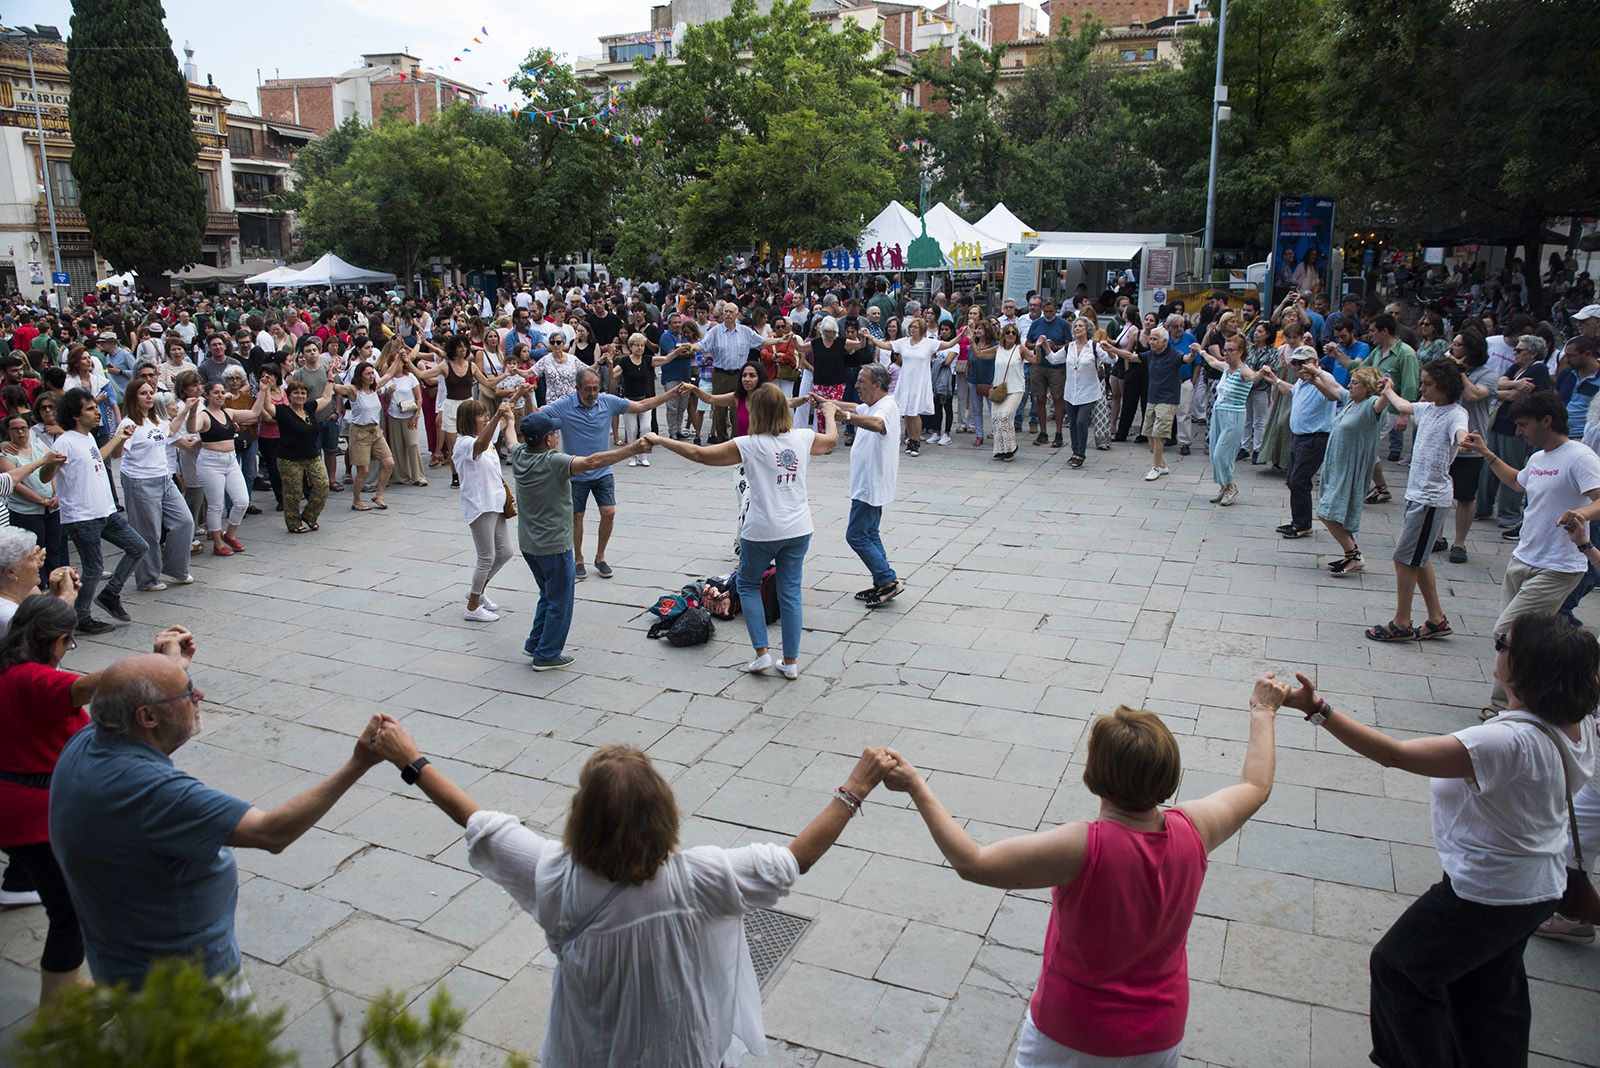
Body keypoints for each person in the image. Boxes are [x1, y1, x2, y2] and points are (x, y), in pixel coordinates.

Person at [366, 713, 894, 1067]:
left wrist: (411, 759)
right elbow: (793, 860)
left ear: (580, 818)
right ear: (665, 812)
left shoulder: (554, 875)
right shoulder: (704, 878)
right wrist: (856, 786)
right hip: (683, 1053)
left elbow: (479, 822)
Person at [884, 676, 1284, 1066]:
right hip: (1160, 1035)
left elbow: (973, 862)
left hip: (1073, 1036)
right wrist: (1263, 710)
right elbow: (1256, 786)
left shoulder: (1083, 847)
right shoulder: (1196, 829)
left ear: (1096, 775)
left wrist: (918, 787)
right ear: (1169, 772)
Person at [1284, 614, 1595, 1068]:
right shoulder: (1575, 724)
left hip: (1489, 893)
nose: (1497, 647)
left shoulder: (1502, 742)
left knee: (1399, 970)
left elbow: (1395, 755)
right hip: (1537, 887)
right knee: (1488, 991)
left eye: (1501, 642)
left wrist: (1319, 710)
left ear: (1523, 665)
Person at [49, 632, 388, 992]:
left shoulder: (88, 741)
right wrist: (358, 762)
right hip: (185, 983)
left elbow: (129, 689)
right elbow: (271, 832)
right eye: (187, 691)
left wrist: (170, 666)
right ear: (147, 717)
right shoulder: (153, 794)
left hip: (120, 957)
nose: (199, 696)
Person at [0, 596, 148, 1009]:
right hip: (33, 815)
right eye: (69, 642)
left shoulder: (11, 670)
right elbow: (88, 687)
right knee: (72, 913)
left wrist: (60, 594)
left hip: (17, 807)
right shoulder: (35, 680)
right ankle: (55, 1014)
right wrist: (153, 664)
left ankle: (66, 983)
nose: (69, 650)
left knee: (63, 900)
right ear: (57, 640)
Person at [646, 384, 838, 678]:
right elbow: (832, 441)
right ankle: (791, 662)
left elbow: (700, 454)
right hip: (799, 527)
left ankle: (761, 653)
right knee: (790, 593)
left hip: (761, 529)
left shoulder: (749, 443)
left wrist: (661, 440)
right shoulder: (802, 437)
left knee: (748, 586)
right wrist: (830, 412)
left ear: (756, 411)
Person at [1462, 390, 1600, 718]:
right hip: (1523, 558)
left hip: (1559, 566)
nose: (1520, 431)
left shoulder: (1580, 457)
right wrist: (1486, 452)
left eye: (1524, 425)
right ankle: (1514, 702)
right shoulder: (1538, 458)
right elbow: (1517, 483)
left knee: (1507, 633)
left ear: (1547, 421)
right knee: (1522, 638)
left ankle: (1514, 704)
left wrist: (1581, 514)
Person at [509, 411, 649, 670]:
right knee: (560, 600)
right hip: (553, 544)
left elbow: (509, 439)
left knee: (548, 593)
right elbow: (593, 461)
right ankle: (547, 653)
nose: (556, 436)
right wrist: (633, 448)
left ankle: (535, 642)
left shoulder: (519, 455)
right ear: (548, 440)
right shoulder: (554, 462)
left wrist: (506, 416)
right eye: (554, 433)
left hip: (529, 544)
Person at [535, 369, 686, 581]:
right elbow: (538, 416)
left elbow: (641, 406)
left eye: (596, 389)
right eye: (587, 390)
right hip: (576, 470)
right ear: (577, 388)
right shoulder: (565, 404)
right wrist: (526, 398)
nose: (592, 393)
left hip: (603, 470)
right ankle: (578, 559)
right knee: (577, 516)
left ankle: (600, 556)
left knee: (609, 512)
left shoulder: (607, 401)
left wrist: (670, 394)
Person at [1364, 359, 1469, 642]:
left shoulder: (1455, 414)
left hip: (1431, 498)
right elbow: (1402, 405)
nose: (1422, 388)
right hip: (1417, 494)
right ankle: (1436, 618)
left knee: (1404, 558)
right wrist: (1387, 389)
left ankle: (1402, 622)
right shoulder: (1427, 409)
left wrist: (1465, 439)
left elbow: (1461, 433)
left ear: (1445, 386)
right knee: (1418, 559)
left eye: (1427, 384)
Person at [48, 389, 145, 633]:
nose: (96, 412)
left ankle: (110, 594)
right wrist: (49, 466)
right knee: (93, 568)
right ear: (75, 415)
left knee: (138, 547)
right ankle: (81, 617)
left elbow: (97, 459)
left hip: (105, 511)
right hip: (82, 516)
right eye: (90, 409)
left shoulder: (88, 438)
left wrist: (120, 437)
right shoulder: (65, 441)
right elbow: (45, 474)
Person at [1301, 365, 1391, 575]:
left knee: (1327, 512)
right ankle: (1351, 554)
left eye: (1355, 382)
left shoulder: (1371, 405)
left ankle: (1353, 554)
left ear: (1368, 386)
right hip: (1336, 465)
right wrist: (1316, 372)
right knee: (1331, 510)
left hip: (1351, 468)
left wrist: (1387, 388)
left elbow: (1382, 401)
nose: (1350, 385)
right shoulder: (1352, 401)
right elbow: (1334, 387)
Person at [113, 378, 195, 592]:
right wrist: (121, 439)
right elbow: (116, 453)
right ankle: (148, 579)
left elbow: (169, 431)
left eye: (151, 392)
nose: (149, 396)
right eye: (143, 393)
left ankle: (176, 568)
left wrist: (186, 409)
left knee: (184, 521)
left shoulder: (156, 419)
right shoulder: (128, 423)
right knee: (148, 531)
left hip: (164, 478)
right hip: (140, 481)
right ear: (133, 397)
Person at [839, 362, 902, 607]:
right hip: (868, 482)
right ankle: (882, 580)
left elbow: (877, 424)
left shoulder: (886, 406)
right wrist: (827, 402)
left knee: (856, 535)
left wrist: (844, 416)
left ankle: (888, 580)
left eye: (861, 382)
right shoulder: (873, 404)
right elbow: (856, 407)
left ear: (877, 385)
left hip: (871, 484)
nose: (856, 385)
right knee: (870, 533)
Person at [186, 379, 267, 556]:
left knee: (242, 501)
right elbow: (192, 427)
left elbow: (254, 413)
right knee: (216, 505)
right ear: (206, 395)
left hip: (230, 460)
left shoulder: (228, 412)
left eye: (222, 392)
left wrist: (263, 391)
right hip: (210, 462)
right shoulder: (204, 415)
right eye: (216, 392)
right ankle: (217, 543)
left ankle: (230, 534)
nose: (220, 395)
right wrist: (192, 411)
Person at [454, 398, 517, 624]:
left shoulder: (484, 436)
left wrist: (518, 394)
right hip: (480, 505)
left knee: (505, 552)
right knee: (486, 557)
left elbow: (497, 423)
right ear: (470, 419)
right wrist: (499, 415)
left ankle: (477, 592)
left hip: (495, 502)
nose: (485, 418)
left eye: (485, 414)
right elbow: (479, 446)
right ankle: (472, 606)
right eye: (481, 415)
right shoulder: (464, 444)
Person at [1267, 347, 1338, 539]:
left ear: (1313, 362)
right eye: (1296, 363)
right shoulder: (1301, 381)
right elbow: (1291, 390)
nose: (1298, 367)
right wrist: (1274, 378)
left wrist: (1317, 375)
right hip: (1299, 438)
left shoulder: (1324, 378)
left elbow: (1334, 393)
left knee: (1299, 480)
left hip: (1314, 438)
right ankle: (1299, 520)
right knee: (1293, 479)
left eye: (1302, 363)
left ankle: (1302, 524)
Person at [1440, 331, 1497, 564]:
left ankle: (1459, 542)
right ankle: (1437, 536)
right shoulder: (1446, 368)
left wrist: (1460, 372)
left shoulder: (1488, 374)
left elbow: (1474, 395)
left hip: (1471, 443)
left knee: (1464, 495)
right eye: (1452, 343)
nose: (1452, 348)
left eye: (1458, 345)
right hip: (1444, 441)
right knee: (1439, 492)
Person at [1191, 333, 1265, 505]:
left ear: (1240, 352)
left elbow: (1252, 378)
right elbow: (1212, 361)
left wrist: (1262, 373)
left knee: (1221, 454)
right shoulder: (1226, 367)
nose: (1226, 353)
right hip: (1219, 413)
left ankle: (1231, 486)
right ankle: (1223, 485)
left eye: (1230, 350)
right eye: (1225, 349)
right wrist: (1200, 350)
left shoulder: (1243, 370)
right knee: (1214, 453)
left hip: (1233, 415)